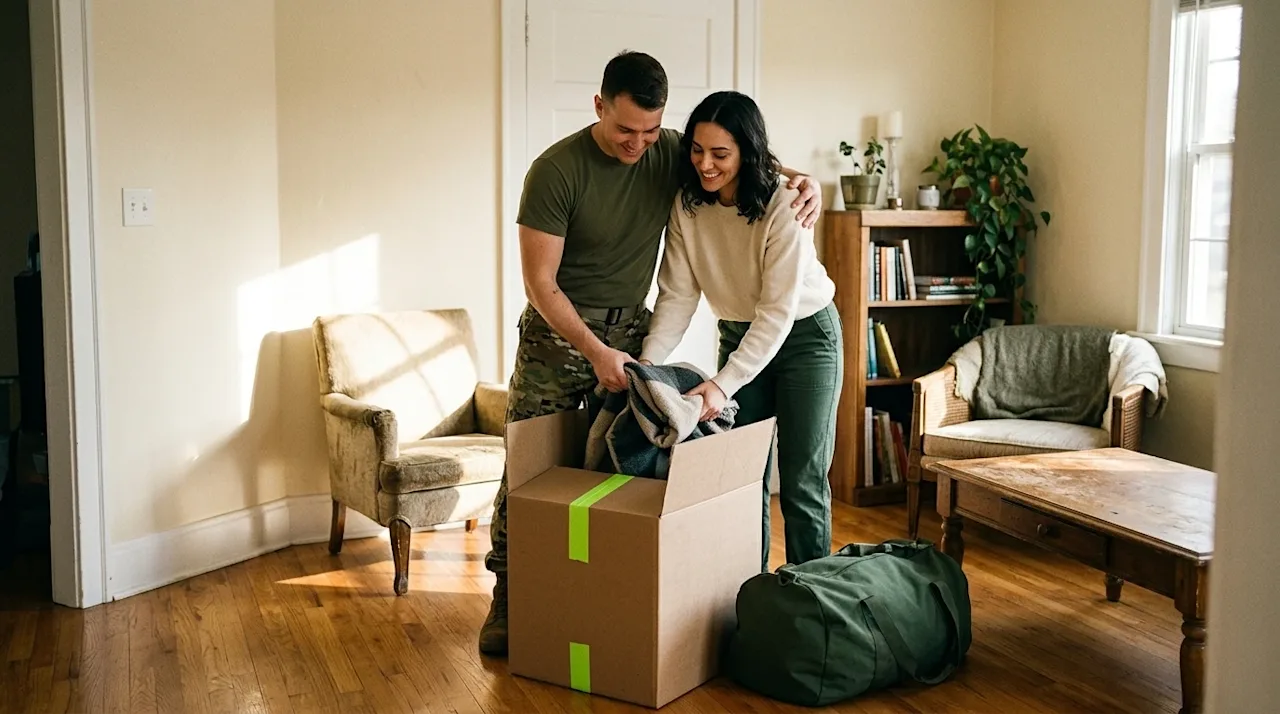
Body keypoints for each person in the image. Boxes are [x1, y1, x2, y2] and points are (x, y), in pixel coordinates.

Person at [479, 52, 823, 656]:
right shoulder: (555, 171)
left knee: (621, 457)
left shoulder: (672, 150)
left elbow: (740, 157)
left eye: (649, 130)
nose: (638, 143)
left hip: (632, 330)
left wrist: (805, 180)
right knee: (531, 467)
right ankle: (508, 596)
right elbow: (541, 284)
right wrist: (595, 352)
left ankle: (610, 585)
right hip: (558, 337)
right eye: (624, 130)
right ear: (599, 107)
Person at [639, 90, 843, 573]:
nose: (705, 164)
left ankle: (812, 607)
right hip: (739, 336)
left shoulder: (787, 203)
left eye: (720, 154)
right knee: (743, 477)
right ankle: (749, 599)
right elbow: (677, 295)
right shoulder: (687, 205)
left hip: (805, 339)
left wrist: (722, 384)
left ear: (747, 152)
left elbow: (775, 313)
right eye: (697, 150)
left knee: (801, 479)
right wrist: (647, 361)